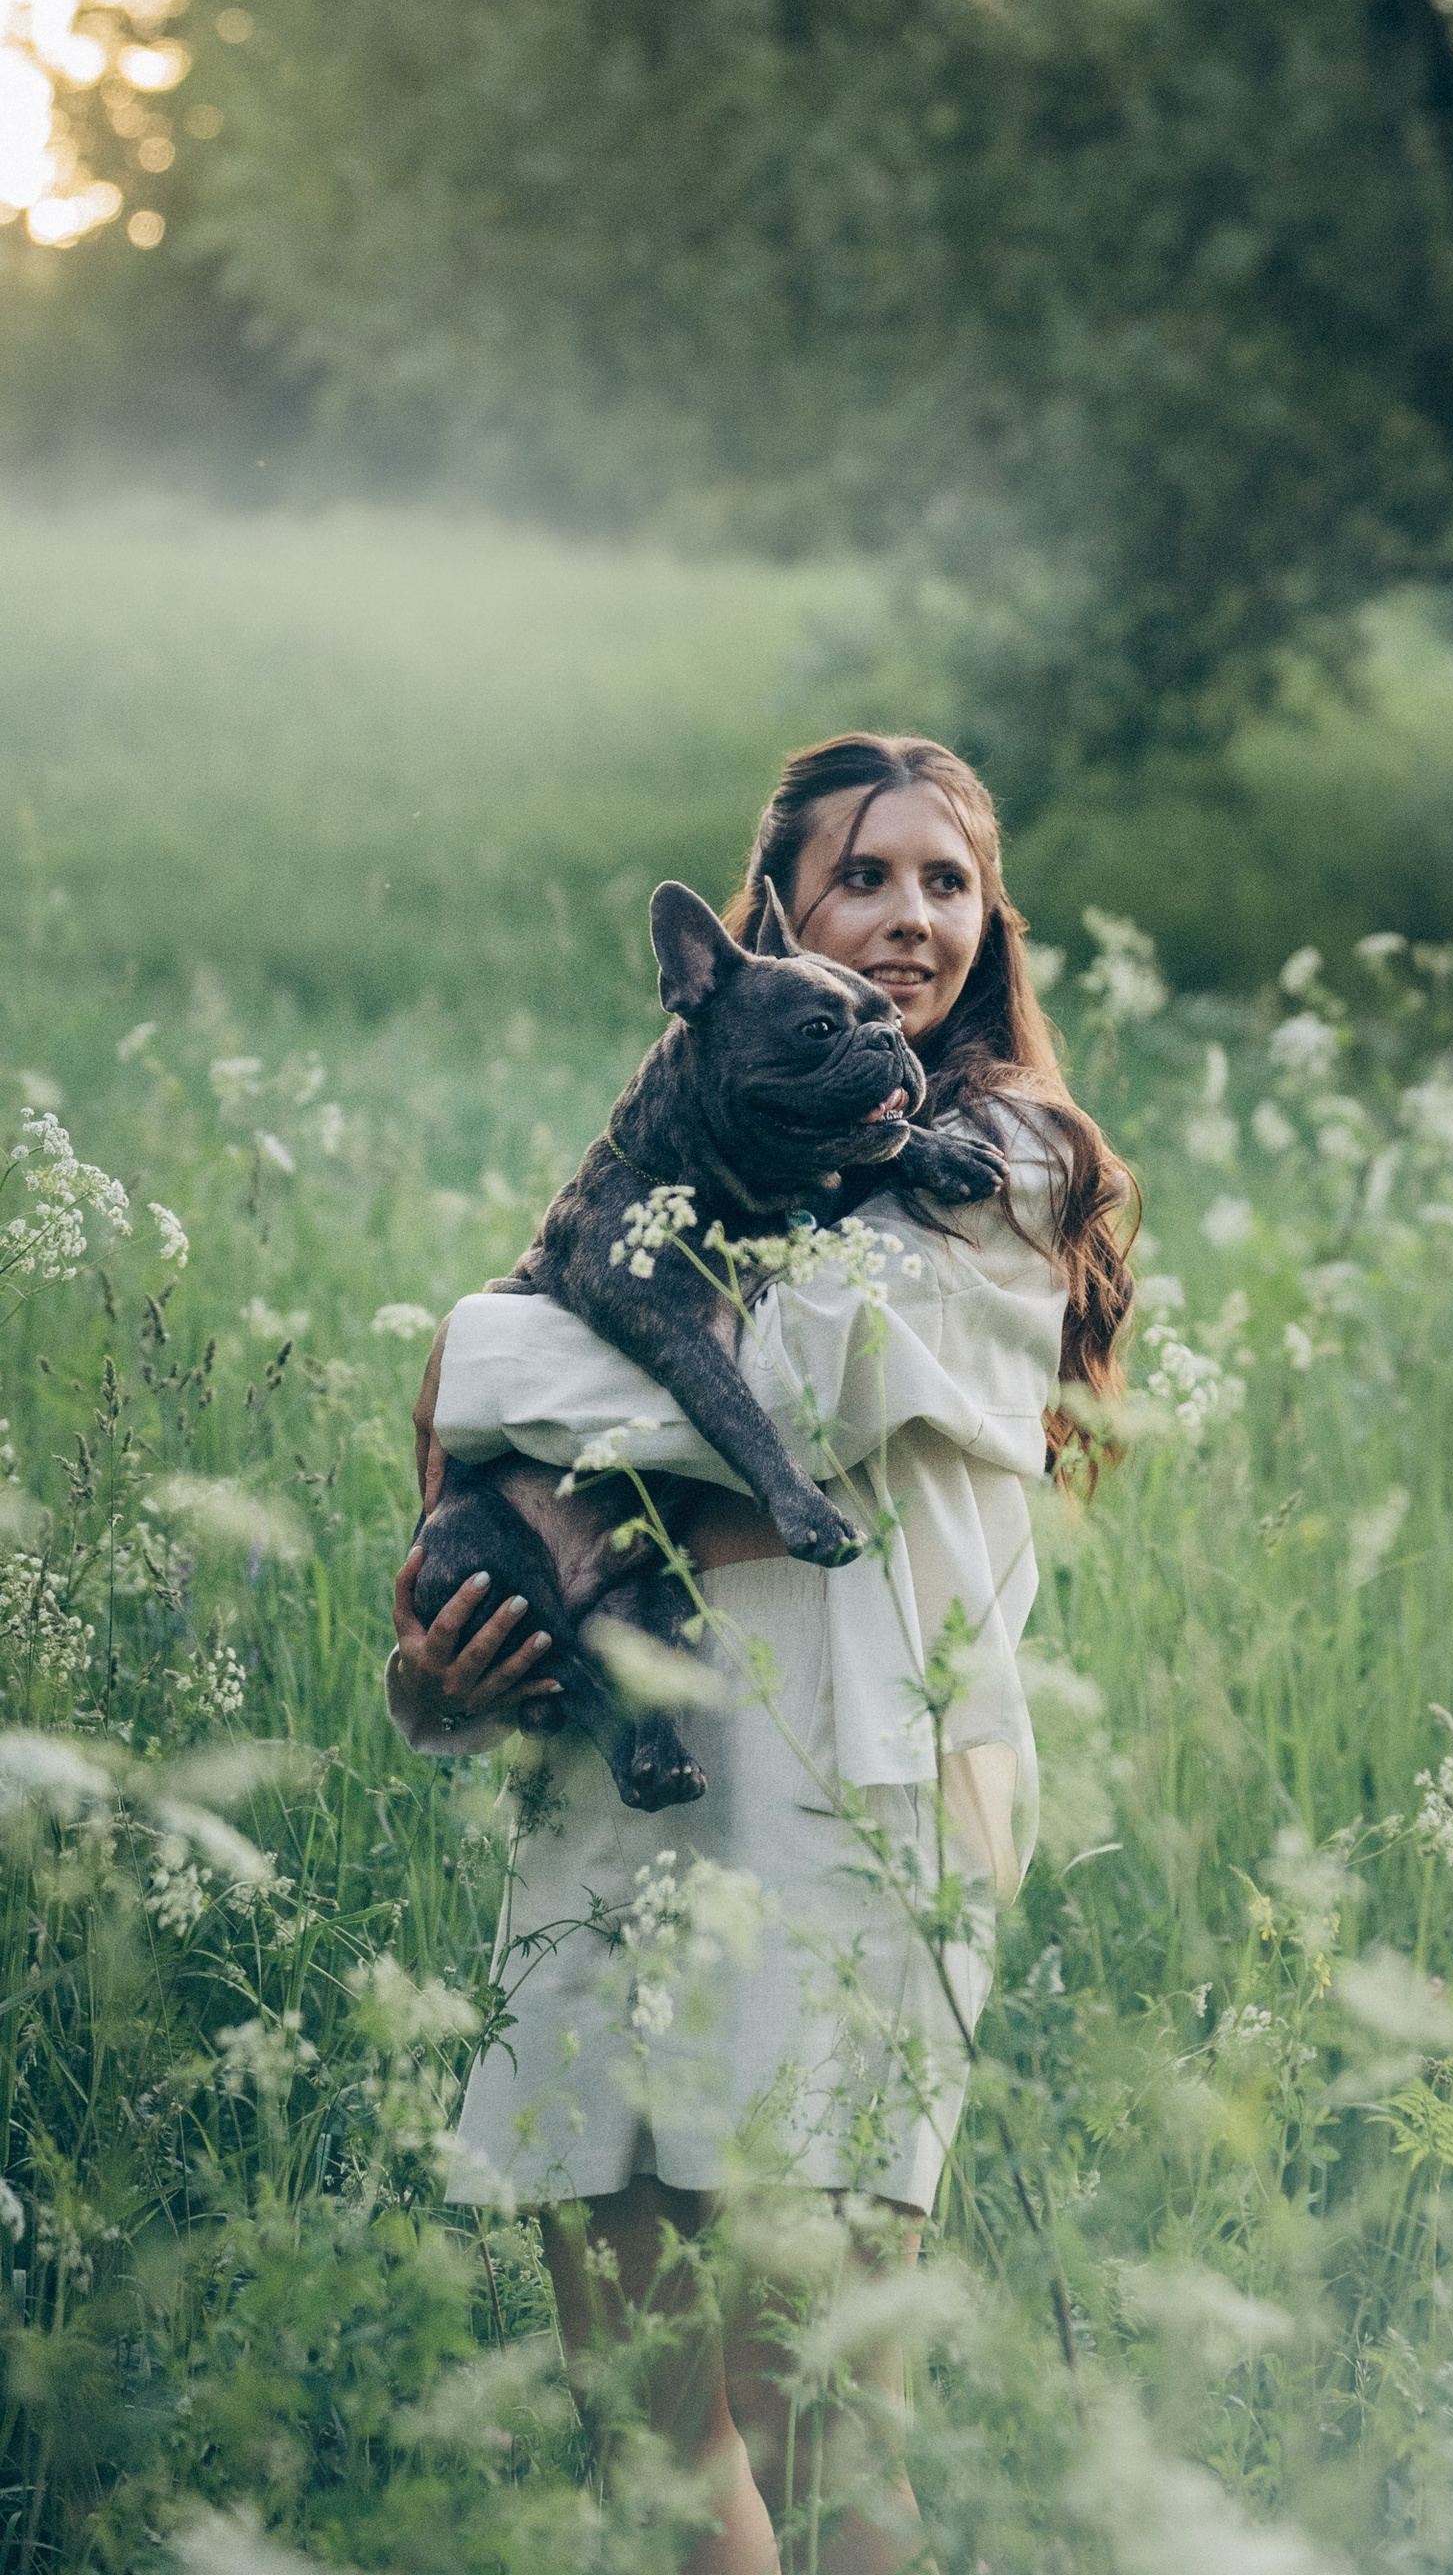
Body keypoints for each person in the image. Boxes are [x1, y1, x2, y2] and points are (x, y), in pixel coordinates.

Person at [388, 734, 1135, 2575]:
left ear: (992, 926)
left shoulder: (1005, 1166)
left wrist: (473, 1354)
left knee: (814, 2407)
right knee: (647, 2421)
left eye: (948, 882)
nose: (910, 918)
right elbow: (519, 1490)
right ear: (776, 924)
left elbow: (783, 1386)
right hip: (624, 1800)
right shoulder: (701, 1154)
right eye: (861, 877)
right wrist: (444, 1670)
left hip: (844, 1809)